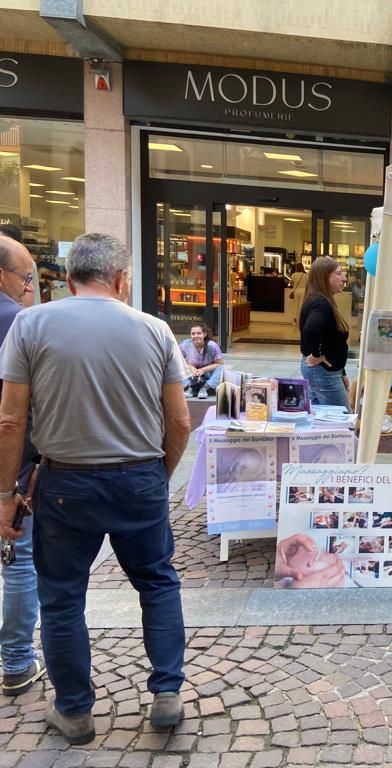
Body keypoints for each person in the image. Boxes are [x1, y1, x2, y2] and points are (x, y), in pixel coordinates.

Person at [0, 233, 192, 744]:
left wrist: (4, 496)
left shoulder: (30, 324)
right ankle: (167, 692)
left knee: (62, 598)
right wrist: (159, 476)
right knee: (157, 583)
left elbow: (10, 420)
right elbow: (180, 421)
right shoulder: (155, 330)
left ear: (68, 279)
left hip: (65, 480)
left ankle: (75, 711)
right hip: (139, 475)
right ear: (122, 279)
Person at [0, 234, 45, 697]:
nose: (29, 286)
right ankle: (15, 660)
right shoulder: (20, 323)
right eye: (25, 277)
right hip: (12, 464)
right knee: (19, 560)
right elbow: (16, 418)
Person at [300, 257, 350, 408]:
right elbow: (311, 329)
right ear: (324, 277)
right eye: (338, 273)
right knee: (343, 418)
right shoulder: (321, 303)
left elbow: (332, 342)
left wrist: (341, 372)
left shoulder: (319, 301)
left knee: (321, 417)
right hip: (323, 372)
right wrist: (318, 354)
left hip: (324, 371)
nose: (344, 278)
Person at [179, 322, 224, 399]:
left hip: (208, 374)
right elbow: (177, 360)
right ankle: (190, 388)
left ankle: (204, 388)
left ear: (204, 334)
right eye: (193, 334)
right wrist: (191, 367)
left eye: (199, 333)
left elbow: (220, 363)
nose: (196, 336)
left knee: (222, 369)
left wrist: (203, 370)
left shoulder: (212, 345)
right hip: (191, 374)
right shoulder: (185, 345)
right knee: (175, 368)